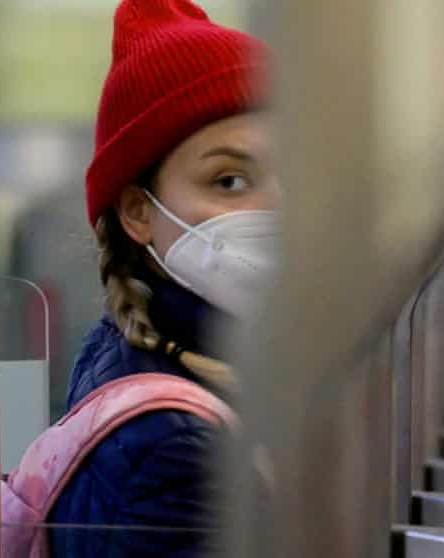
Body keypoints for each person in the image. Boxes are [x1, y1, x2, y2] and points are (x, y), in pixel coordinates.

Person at [47, 1, 277, 556]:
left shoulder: (140, 345)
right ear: (138, 211)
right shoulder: (177, 445)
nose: (276, 206)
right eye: (228, 180)